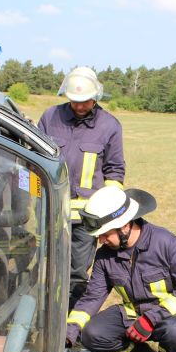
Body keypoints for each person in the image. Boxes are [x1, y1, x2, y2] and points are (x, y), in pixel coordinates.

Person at [65, 187, 176, 352]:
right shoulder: (104, 257)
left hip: (171, 315)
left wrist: (151, 319)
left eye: (105, 234)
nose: (101, 241)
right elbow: (92, 297)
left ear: (125, 226)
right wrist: (69, 331)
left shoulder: (166, 243)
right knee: (92, 334)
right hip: (132, 314)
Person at [38, 66, 125, 309]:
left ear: (95, 96)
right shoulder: (50, 117)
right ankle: (45, 314)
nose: (79, 107)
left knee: (76, 273)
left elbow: (115, 170)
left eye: (85, 102)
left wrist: (108, 211)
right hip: (51, 212)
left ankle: (69, 323)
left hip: (86, 220)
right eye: (74, 101)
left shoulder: (110, 126)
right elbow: (34, 159)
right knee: (46, 266)